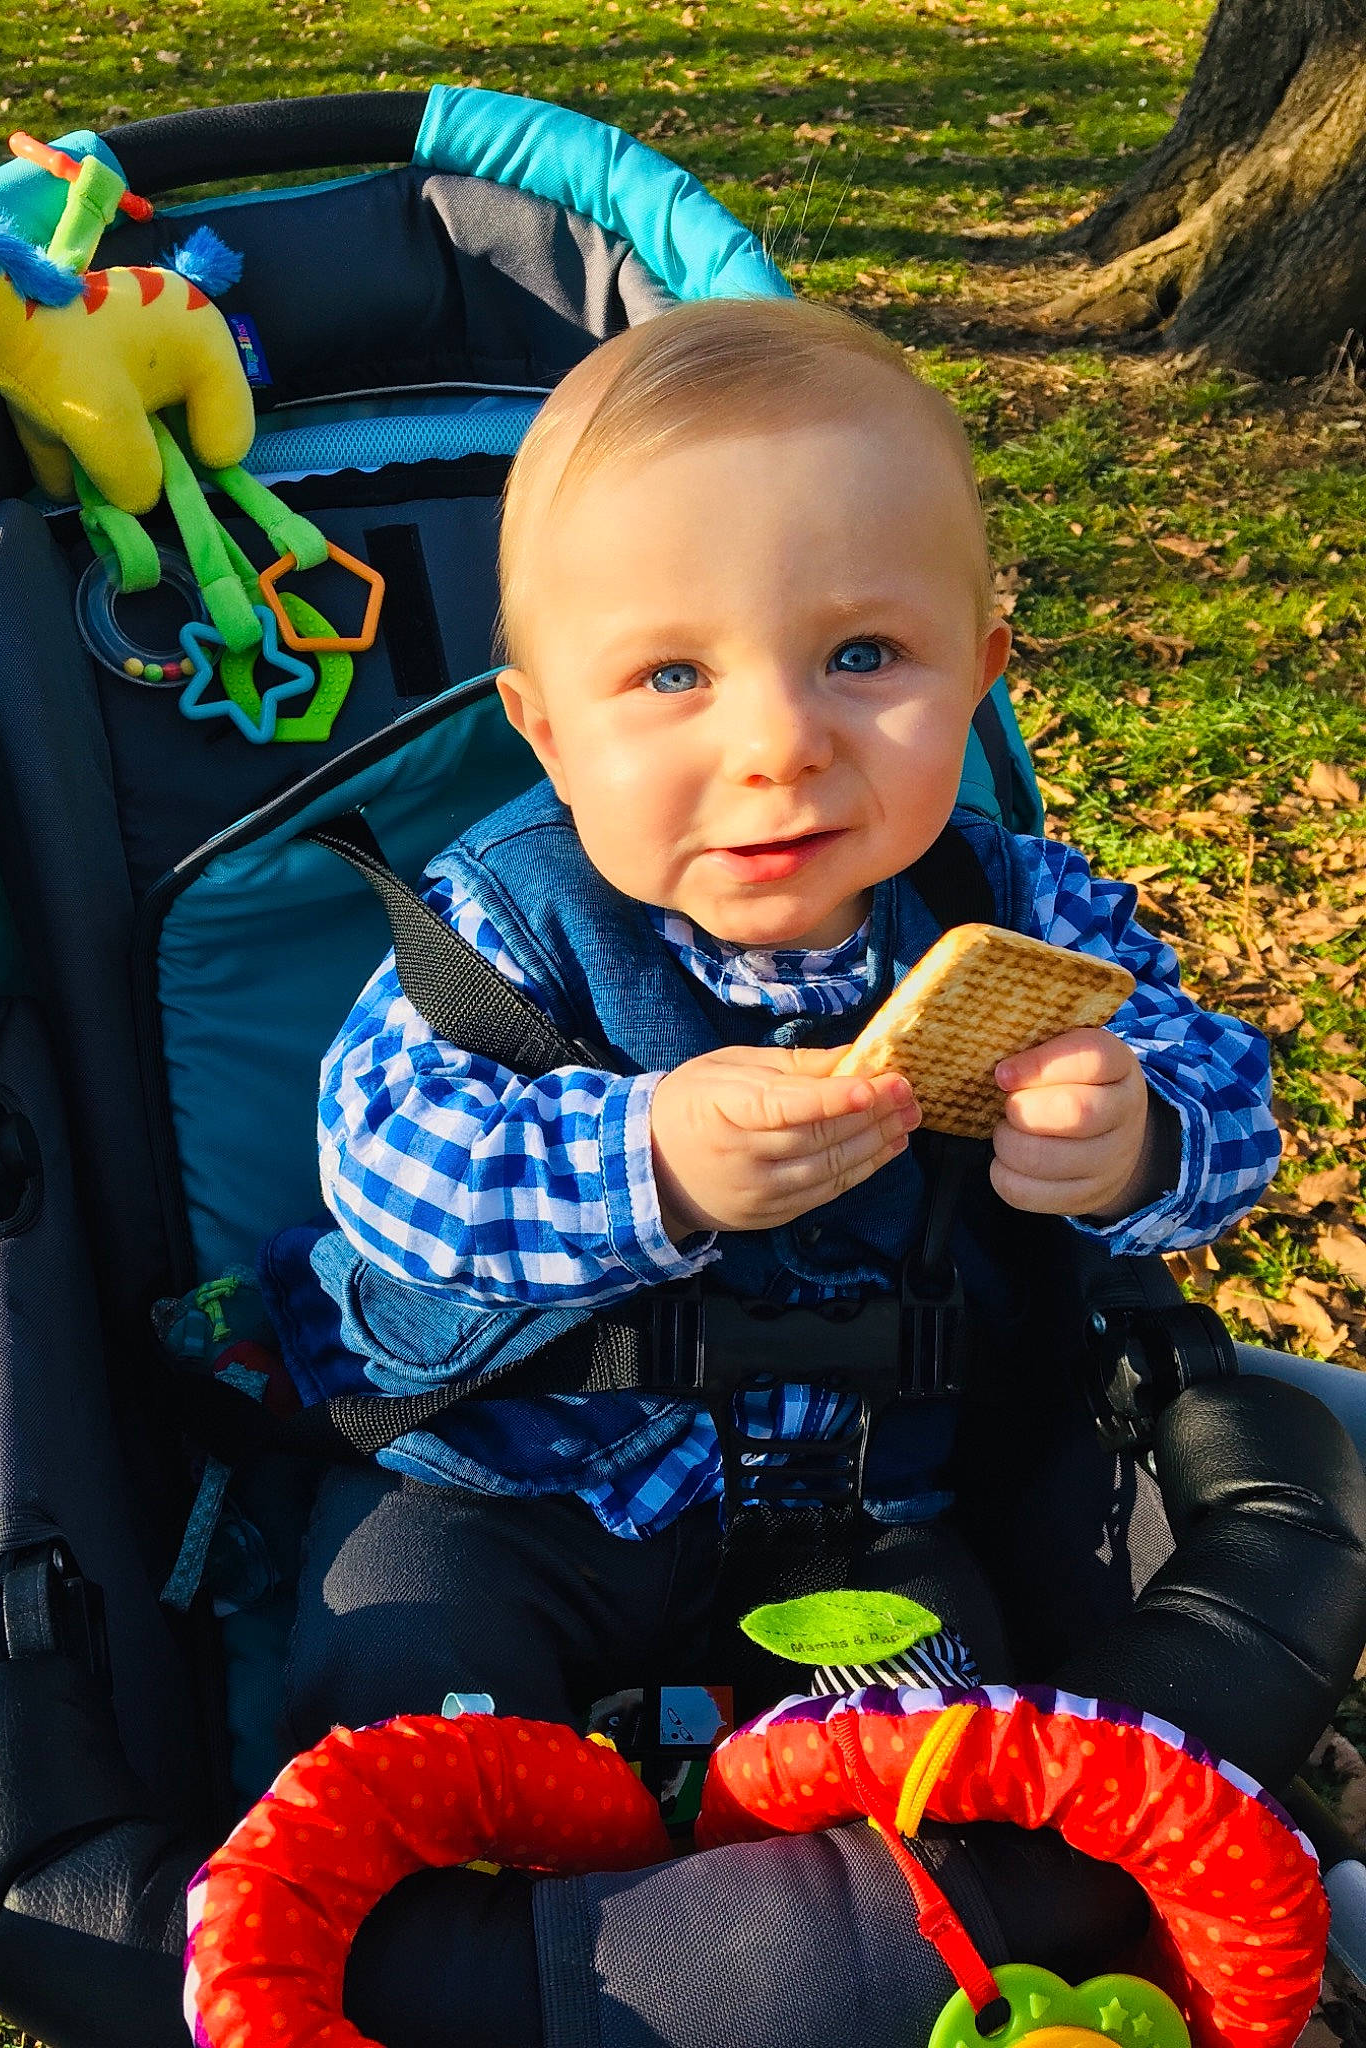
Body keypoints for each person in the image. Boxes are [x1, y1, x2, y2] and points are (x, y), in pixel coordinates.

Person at [280, 295, 1279, 1747]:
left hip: (867, 1508)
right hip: (516, 1484)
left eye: (864, 656)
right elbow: (383, 1158)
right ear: (548, 728)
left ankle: (848, 1932)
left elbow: (1232, 1096)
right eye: (673, 676)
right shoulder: (507, 922)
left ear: (981, 674)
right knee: (398, 1687)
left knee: (968, 1761)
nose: (778, 745)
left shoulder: (1019, 914)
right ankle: (479, 1927)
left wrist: (1137, 1135)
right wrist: (647, 1162)